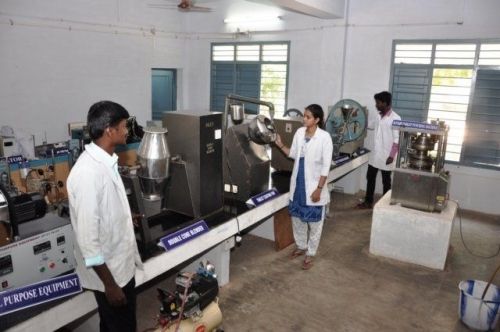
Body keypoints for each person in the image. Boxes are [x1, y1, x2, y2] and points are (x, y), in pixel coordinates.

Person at [67, 101, 142, 332]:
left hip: (121, 267)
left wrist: (126, 219)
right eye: (123, 126)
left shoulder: (105, 161)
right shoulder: (88, 173)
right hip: (111, 276)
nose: (127, 131)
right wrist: (110, 285)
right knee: (122, 327)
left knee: (111, 326)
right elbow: (89, 241)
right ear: (110, 130)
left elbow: (105, 211)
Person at [275, 104, 333, 270]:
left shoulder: (324, 137)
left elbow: (325, 166)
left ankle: (311, 253)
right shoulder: (300, 133)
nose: (303, 119)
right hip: (299, 183)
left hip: (314, 185)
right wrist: (280, 145)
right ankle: (301, 246)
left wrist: (319, 189)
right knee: (297, 219)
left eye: (307, 117)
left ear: (317, 120)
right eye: (304, 116)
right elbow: (294, 154)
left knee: (314, 223)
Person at [357, 91, 401, 209]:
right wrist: (360, 119)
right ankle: (368, 201)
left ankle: (386, 205)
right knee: (370, 177)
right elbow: (371, 125)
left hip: (387, 155)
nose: (376, 105)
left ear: (385, 103)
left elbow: (397, 139)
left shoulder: (396, 118)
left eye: (378, 103)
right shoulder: (378, 116)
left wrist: (391, 156)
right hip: (376, 154)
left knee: (386, 181)